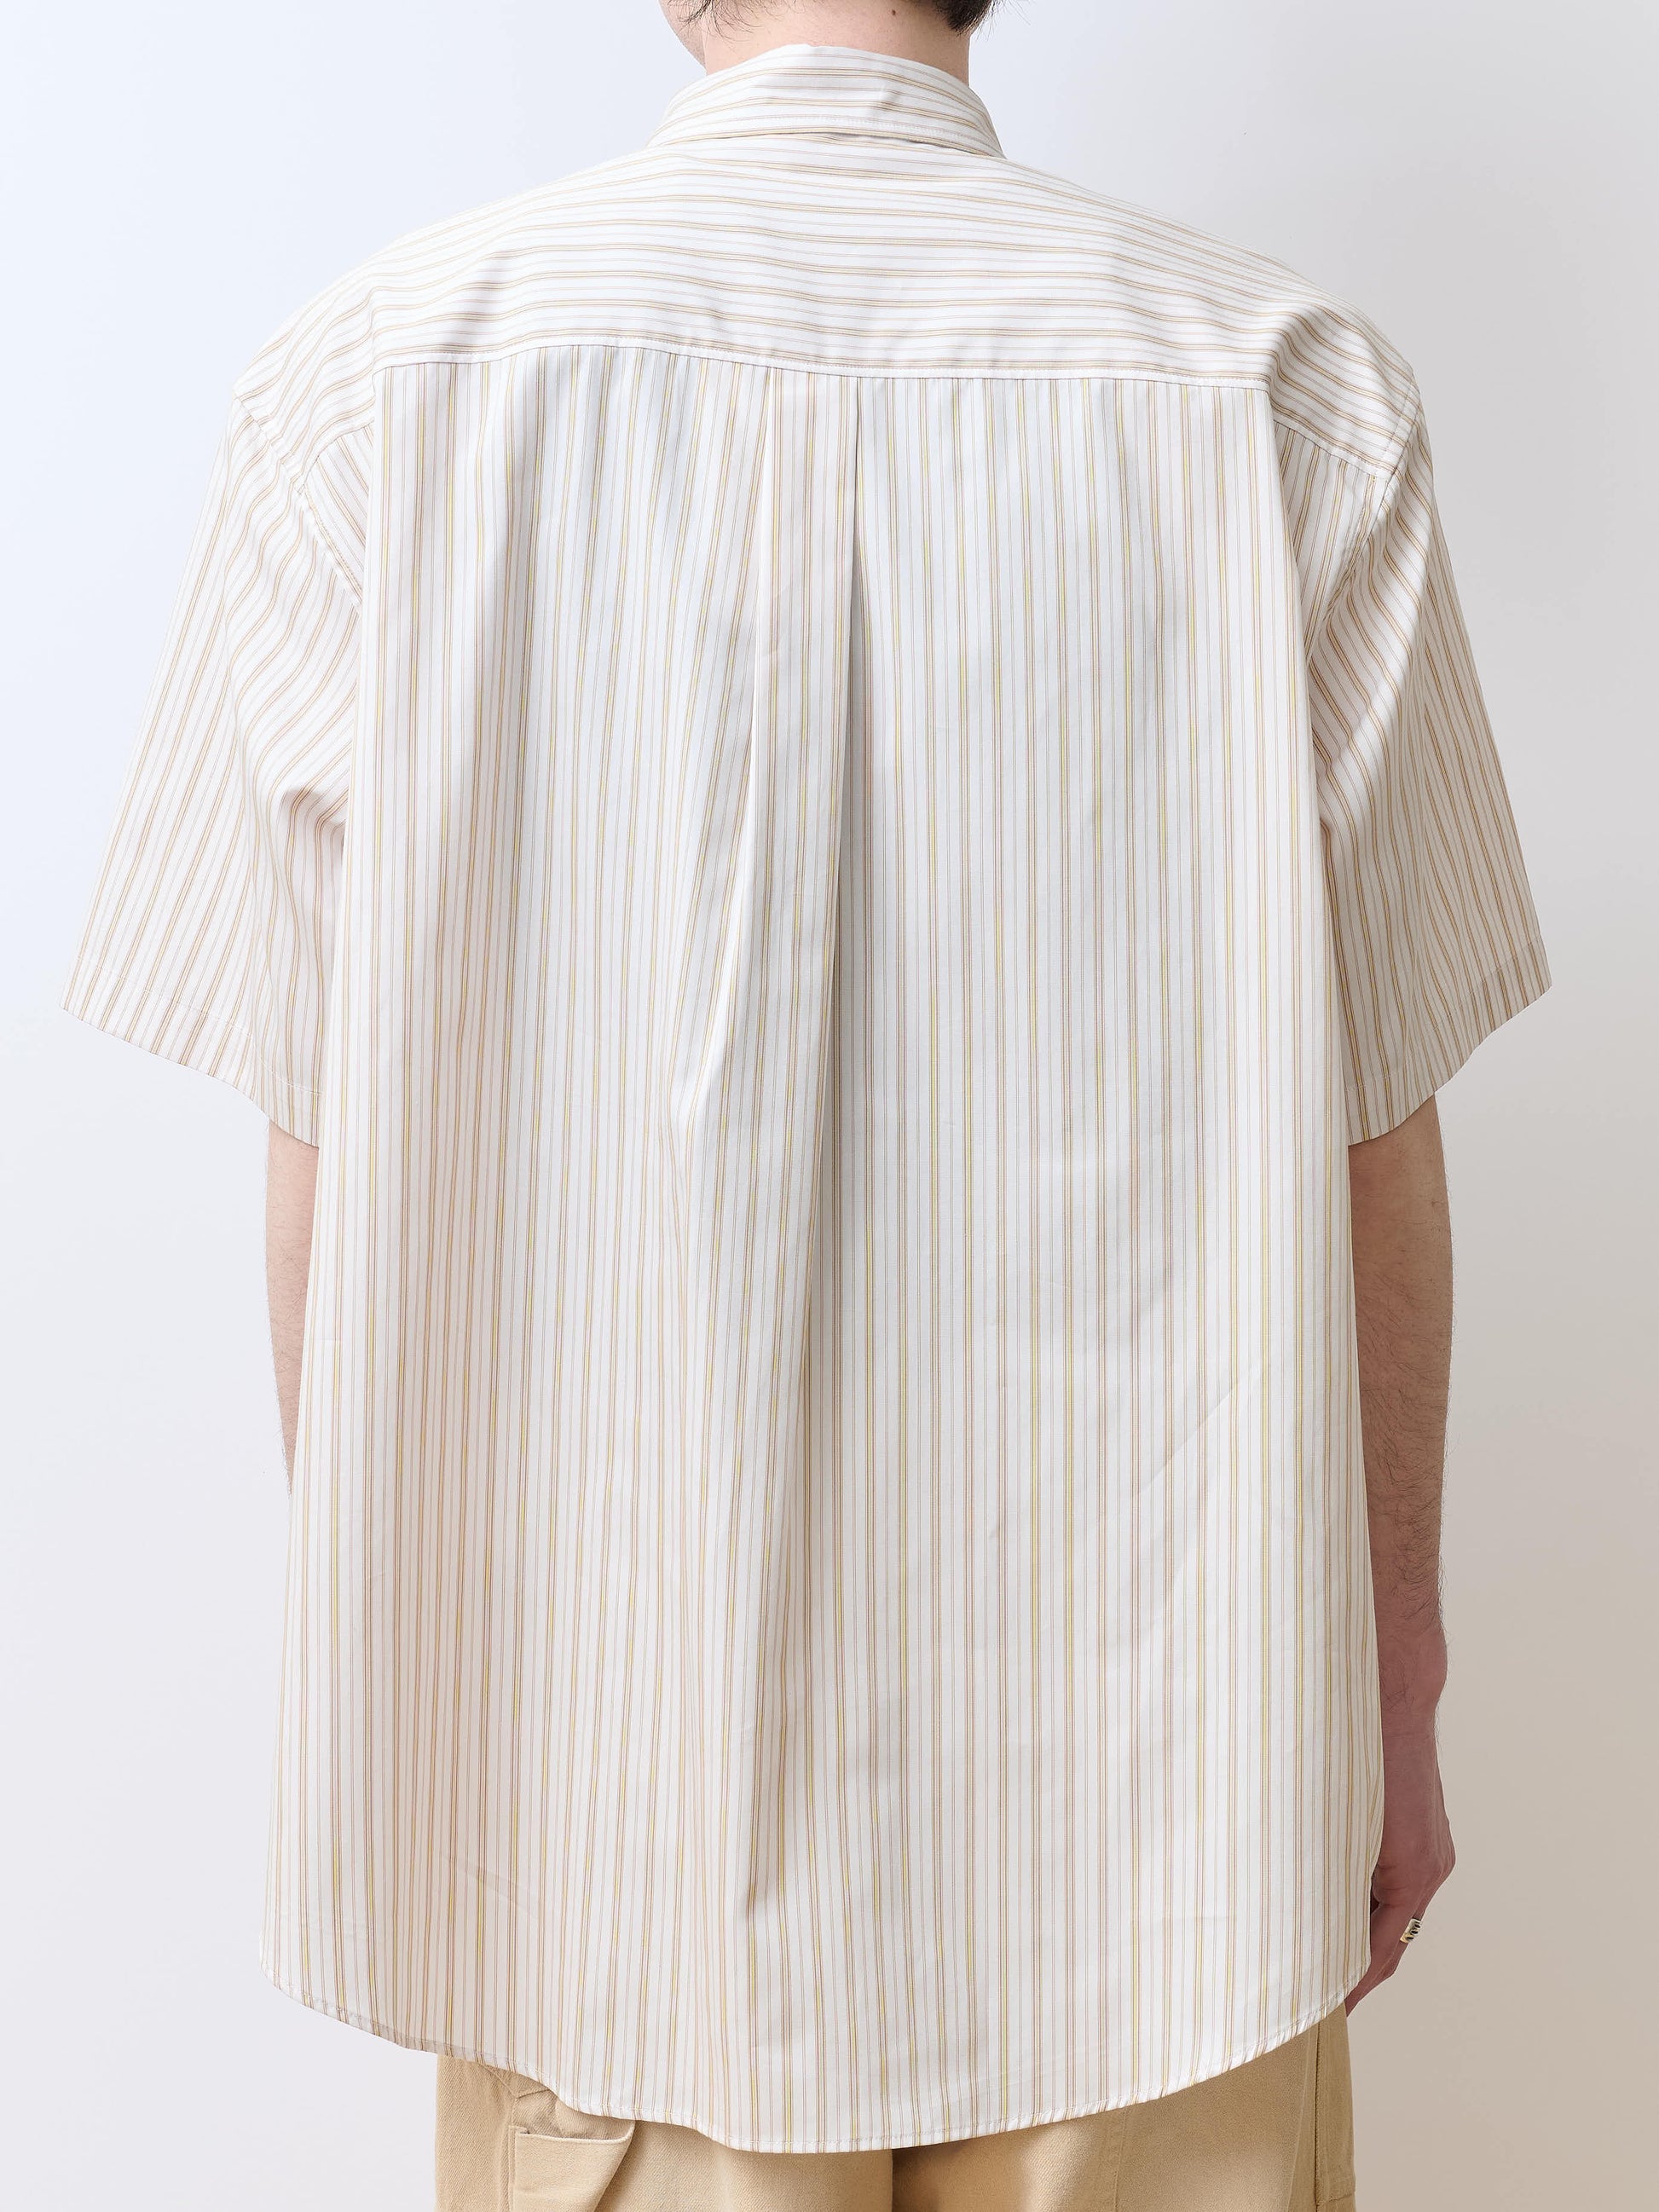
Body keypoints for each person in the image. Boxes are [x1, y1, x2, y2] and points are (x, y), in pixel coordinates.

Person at [61, 1, 1551, 2205]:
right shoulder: (1279, 388)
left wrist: (442, 1715)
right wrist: (1391, 1682)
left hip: (609, 1840)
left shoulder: (376, 383)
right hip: (1171, 1816)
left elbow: (326, 1142)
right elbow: (1372, 1133)